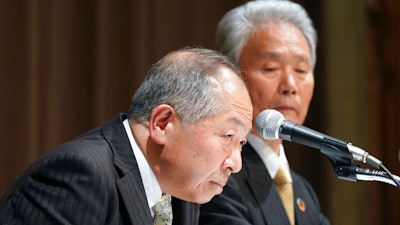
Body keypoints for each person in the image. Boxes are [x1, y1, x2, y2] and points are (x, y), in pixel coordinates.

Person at [0, 47, 253, 225]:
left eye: (241, 142)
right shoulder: (81, 176)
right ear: (163, 123)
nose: (236, 162)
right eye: (228, 136)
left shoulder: (183, 190)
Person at [199, 1, 330, 225]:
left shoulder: (302, 191)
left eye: (301, 70)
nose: (290, 85)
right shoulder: (218, 176)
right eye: (271, 68)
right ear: (230, 76)